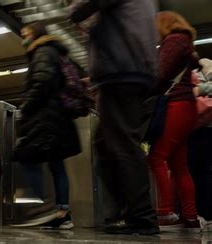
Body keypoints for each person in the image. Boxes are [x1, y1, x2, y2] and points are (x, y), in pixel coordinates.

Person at [70, 0, 159, 234]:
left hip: (122, 70)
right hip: (134, 69)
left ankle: (141, 217)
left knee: (123, 145)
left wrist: (74, 10)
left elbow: (81, 8)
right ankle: (129, 213)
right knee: (106, 144)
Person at [13, 21, 81, 229]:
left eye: (25, 33)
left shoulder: (42, 52)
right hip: (57, 117)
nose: (23, 37)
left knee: (26, 157)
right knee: (56, 165)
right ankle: (62, 214)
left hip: (46, 117)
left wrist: (25, 107)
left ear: (35, 34)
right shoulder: (54, 52)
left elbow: (42, 82)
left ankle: (42, 208)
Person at [147, 11, 202, 231]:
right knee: (179, 165)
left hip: (177, 104)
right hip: (186, 107)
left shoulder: (174, 40)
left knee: (156, 157)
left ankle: (165, 212)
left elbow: (161, 74)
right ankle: (190, 216)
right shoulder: (185, 42)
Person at [189, 62, 212, 232]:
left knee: (200, 172)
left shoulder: (204, 64)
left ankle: (205, 213)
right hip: (196, 127)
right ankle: (203, 213)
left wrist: (199, 89)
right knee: (199, 172)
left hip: (203, 127)